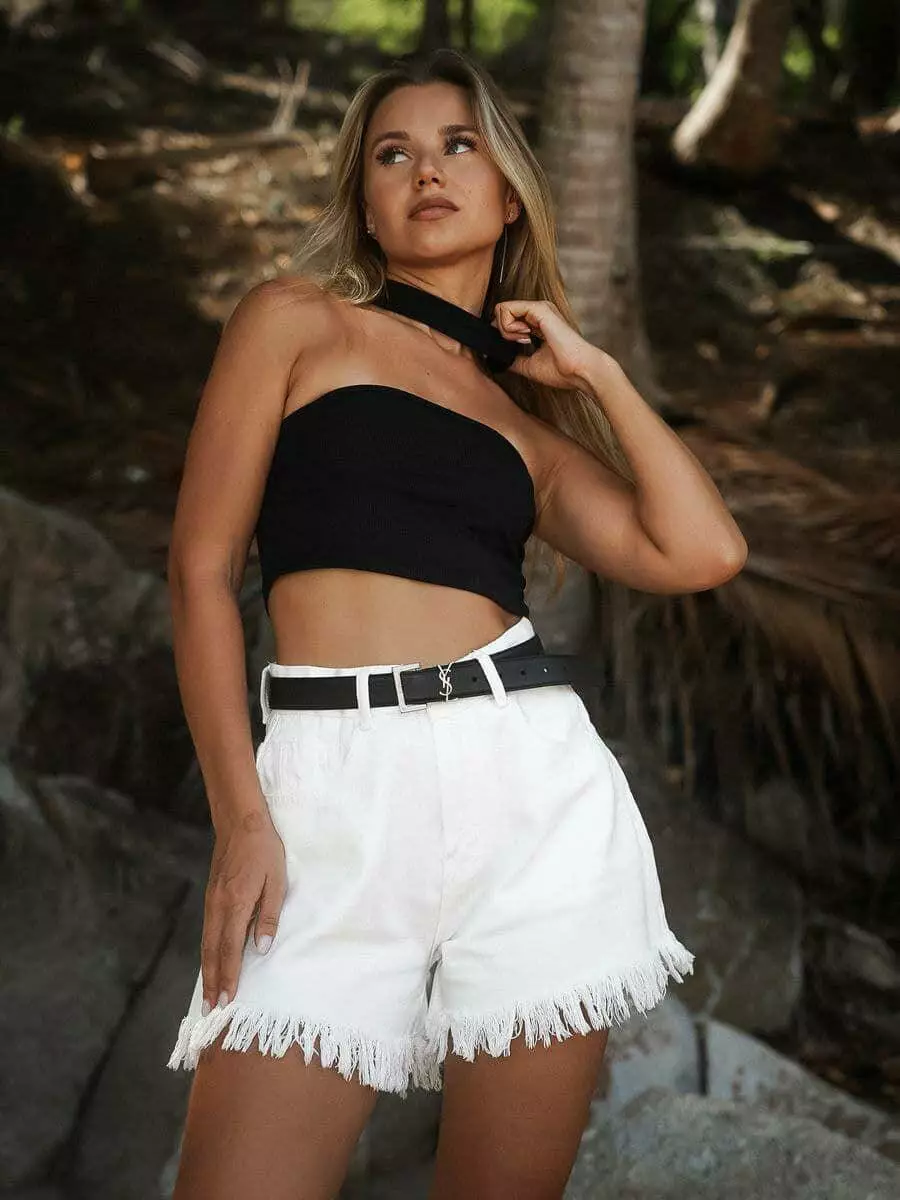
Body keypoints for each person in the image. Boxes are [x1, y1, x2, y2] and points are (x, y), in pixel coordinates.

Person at [165, 47, 746, 1200]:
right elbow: (198, 568)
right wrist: (241, 819)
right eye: (394, 154)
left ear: (509, 192)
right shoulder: (295, 323)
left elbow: (702, 552)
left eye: (457, 145)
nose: (426, 170)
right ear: (366, 202)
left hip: (529, 794)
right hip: (327, 799)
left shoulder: (525, 432)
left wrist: (597, 374)